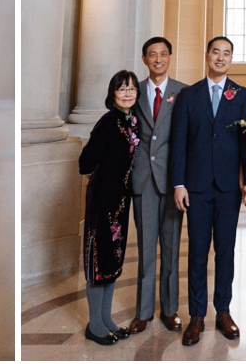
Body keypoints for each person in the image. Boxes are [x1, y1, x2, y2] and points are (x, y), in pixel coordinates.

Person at [169, 37, 246, 346]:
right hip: (195, 187)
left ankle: (223, 311)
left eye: (227, 53)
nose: (221, 58)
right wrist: (178, 183)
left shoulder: (242, 95)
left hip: (227, 189)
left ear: (232, 59)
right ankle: (196, 315)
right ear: (207, 55)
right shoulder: (188, 95)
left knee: (226, 250)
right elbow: (179, 141)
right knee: (196, 251)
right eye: (216, 52)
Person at [127, 37, 187, 334]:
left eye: (164, 54)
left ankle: (171, 309)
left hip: (172, 180)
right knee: (146, 247)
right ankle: (143, 311)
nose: (158, 59)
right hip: (143, 179)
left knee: (172, 246)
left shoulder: (183, 92)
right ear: (144, 59)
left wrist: (183, 181)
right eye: (153, 54)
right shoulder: (133, 91)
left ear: (170, 57)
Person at [79, 71, 142, 345]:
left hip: (120, 201)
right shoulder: (108, 122)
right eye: (122, 88)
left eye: (132, 88)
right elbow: (85, 161)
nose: (127, 93)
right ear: (112, 93)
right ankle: (95, 325)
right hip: (103, 200)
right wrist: (99, 179)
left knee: (113, 259)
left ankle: (106, 319)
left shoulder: (131, 122)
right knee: (98, 258)